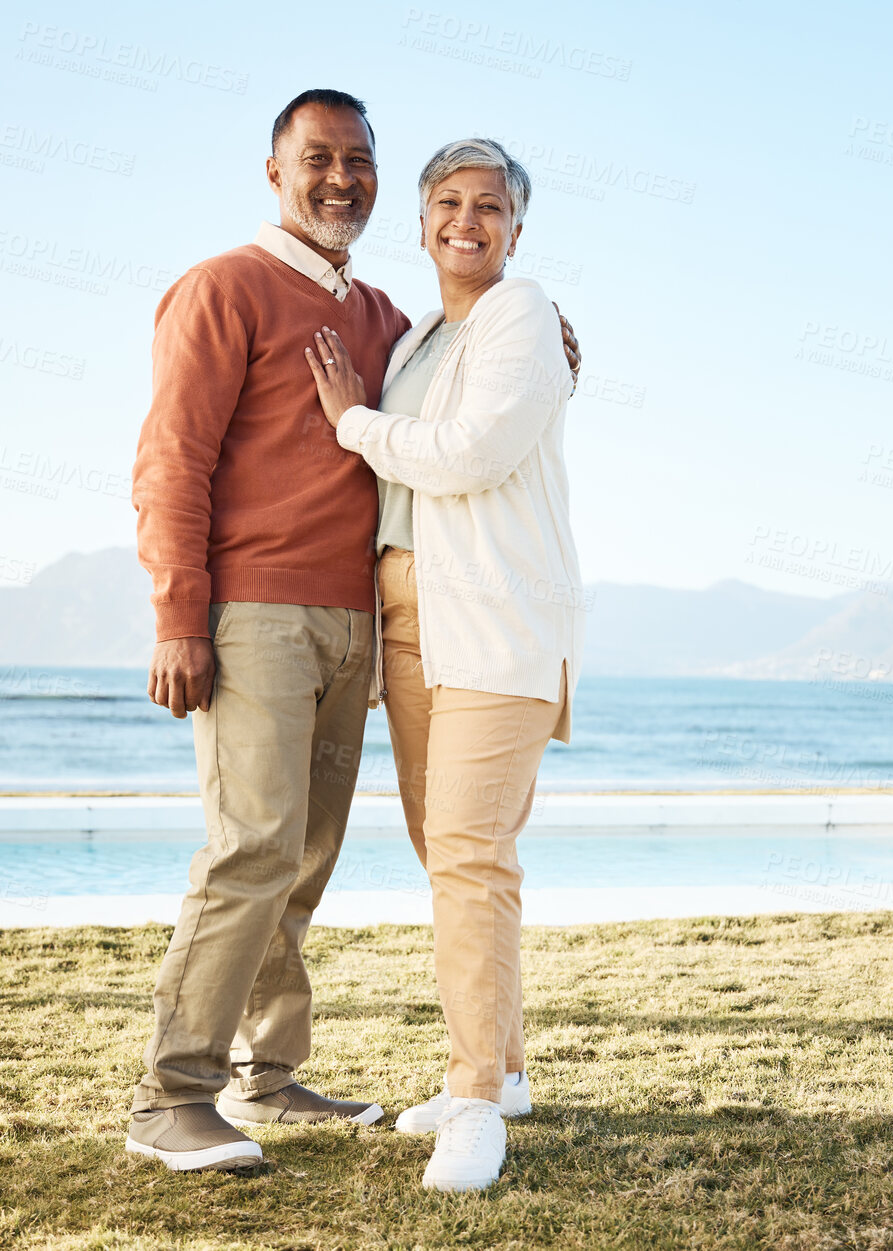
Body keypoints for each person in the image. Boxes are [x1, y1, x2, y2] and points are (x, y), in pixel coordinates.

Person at [126, 91, 581, 1175]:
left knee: (305, 855)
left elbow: (482, 387)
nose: (341, 178)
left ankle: (268, 1076)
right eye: (318, 158)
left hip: (362, 625)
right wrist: (177, 615)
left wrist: (556, 344)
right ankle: (170, 1099)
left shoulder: (393, 320)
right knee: (253, 847)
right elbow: (170, 462)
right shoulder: (220, 287)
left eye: (360, 160)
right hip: (255, 614)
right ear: (274, 170)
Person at [305, 136, 582, 1193]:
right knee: (452, 851)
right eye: (448, 203)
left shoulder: (522, 311)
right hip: (410, 620)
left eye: (491, 206)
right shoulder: (424, 332)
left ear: (516, 230)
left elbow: (472, 453)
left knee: (468, 855)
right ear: (421, 223)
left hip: (496, 624)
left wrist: (353, 425)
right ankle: (501, 1069)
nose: (468, 220)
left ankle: (474, 1100)